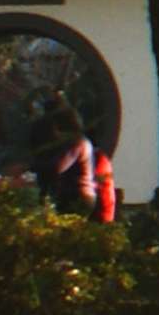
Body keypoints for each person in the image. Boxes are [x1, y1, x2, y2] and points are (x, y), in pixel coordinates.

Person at [28, 92, 110, 220]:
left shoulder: (78, 143)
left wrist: (30, 167)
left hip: (78, 197)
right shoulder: (79, 142)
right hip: (78, 195)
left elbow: (57, 167)